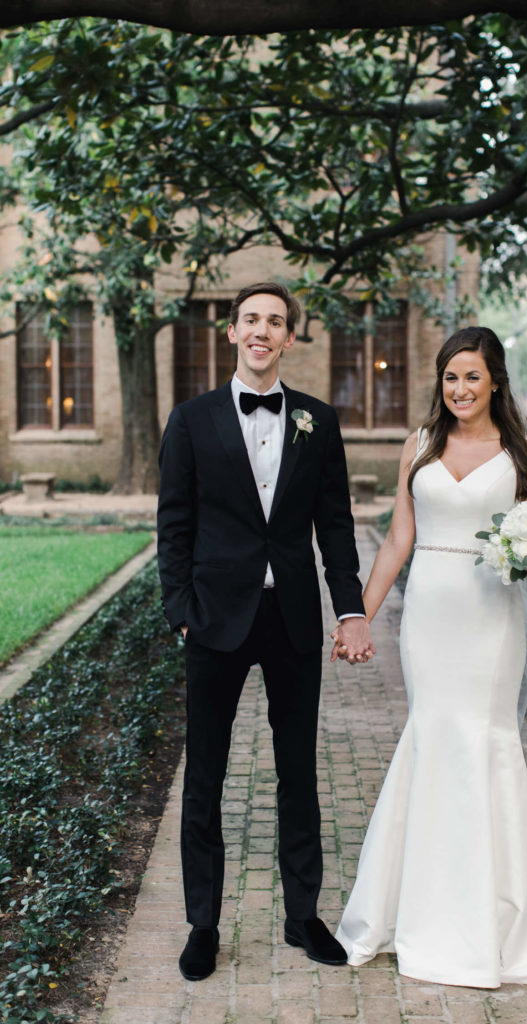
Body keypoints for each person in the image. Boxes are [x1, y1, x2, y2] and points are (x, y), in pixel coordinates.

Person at [335, 325, 527, 987]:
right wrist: (358, 616)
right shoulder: (419, 446)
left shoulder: (525, 454)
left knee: (486, 742)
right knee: (433, 738)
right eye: (450, 376)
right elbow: (394, 543)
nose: (460, 388)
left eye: (472, 375)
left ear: (494, 379)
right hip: (431, 613)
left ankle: (494, 921)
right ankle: (421, 909)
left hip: (491, 617)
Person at [157, 282, 374, 982]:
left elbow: (335, 525)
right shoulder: (190, 420)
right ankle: (203, 925)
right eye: (250, 318)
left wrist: (349, 609)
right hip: (215, 618)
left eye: (274, 322)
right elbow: (174, 524)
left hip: (291, 622)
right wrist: (179, 607)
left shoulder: (318, 420)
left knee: (298, 773)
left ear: (287, 338)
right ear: (232, 332)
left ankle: (302, 914)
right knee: (207, 778)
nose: (261, 330)